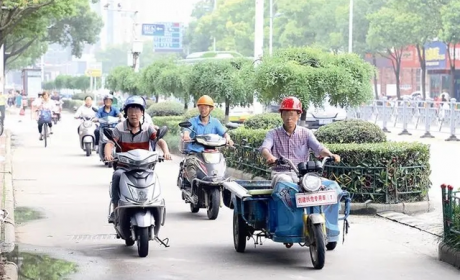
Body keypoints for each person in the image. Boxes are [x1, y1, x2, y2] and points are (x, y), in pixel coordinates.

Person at [104, 96, 172, 223]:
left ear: (142, 113)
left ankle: (155, 206)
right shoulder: (119, 128)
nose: (133, 114)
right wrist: (108, 155)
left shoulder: (147, 128)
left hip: (145, 166)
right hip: (124, 167)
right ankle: (115, 208)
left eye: (137, 111)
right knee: (116, 176)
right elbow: (110, 143)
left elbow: (159, 140)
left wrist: (166, 152)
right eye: (130, 111)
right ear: (126, 113)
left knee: (154, 178)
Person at [259, 96, 340, 184]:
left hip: (303, 175)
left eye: (292, 114)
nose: (289, 117)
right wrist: (270, 157)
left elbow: (319, 148)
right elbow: (265, 149)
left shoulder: (306, 133)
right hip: (281, 174)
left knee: (330, 185)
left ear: (298, 115)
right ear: (281, 115)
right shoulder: (273, 133)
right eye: (285, 113)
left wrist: (331, 155)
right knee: (286, 181)